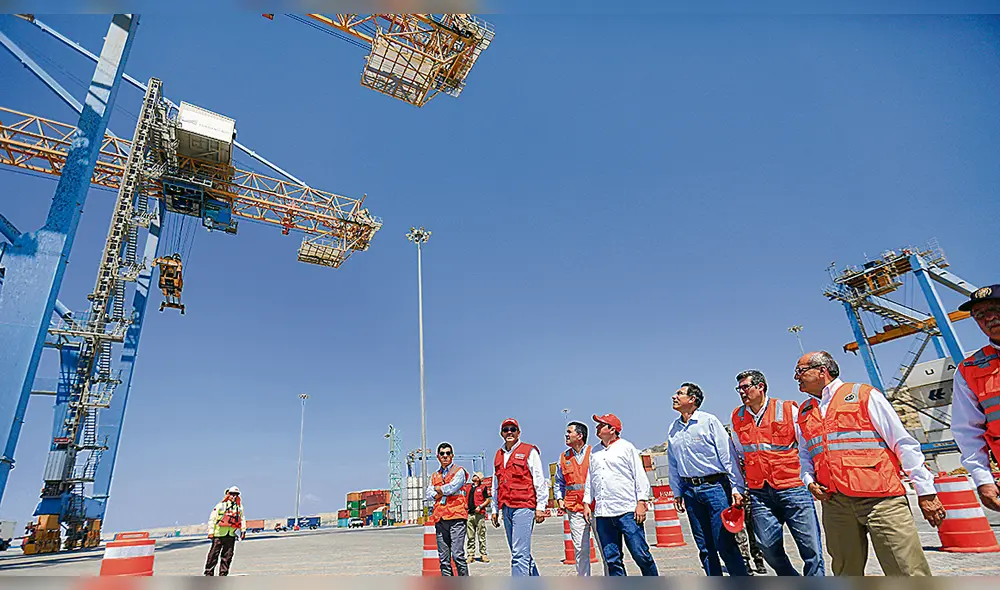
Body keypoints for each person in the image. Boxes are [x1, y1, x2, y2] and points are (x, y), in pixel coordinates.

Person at [794, 351, 946, 576]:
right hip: (835, 502)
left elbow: (902, 442)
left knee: (906, 569)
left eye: (801, 371)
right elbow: (806, 454)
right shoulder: (806, 411)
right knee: (846, 571)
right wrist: (809, 481)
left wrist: (926, 491)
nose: (796, 377)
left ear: (822, 371)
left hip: (881, 499)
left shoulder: (863, 395)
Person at [730, 369, 825, 576]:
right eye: (739, 388)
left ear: (760, 387)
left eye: (745, 387)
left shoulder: (787, 409)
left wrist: (811, 478)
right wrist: (737, 487)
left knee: (811, 549)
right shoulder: (737, 417)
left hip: (793, 488)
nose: (741, 392)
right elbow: (738, 455)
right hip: (760, 491)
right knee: (767, 547)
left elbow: (806, 447)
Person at [667, 383, 749, 576]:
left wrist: (737, 488)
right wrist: (677, 492)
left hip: (715, 488)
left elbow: (728, 457)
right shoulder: (673, 428)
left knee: (724, 544)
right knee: (704, 547)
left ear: (692, 399)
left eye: (679, 393)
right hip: (689, 491)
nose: (674, 396)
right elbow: (673, 463)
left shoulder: (709, 422)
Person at [583, 414, 658, 576]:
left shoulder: (626, 447)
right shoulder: (595, 451)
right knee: (612, 559)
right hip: (603, 514)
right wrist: (587, 503)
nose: (597, 427)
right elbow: (590, 478)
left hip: (627, 511)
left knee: (641, 555)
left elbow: (639, 475)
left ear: (612, 429)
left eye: (601, 425)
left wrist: (641, 502)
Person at [951, 284, 1000, 512]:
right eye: (980, 315)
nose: (990, 317)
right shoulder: (968, 369)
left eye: (995, 308)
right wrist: (983, 478)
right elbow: (967, 430)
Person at [491, 418, 548, 576]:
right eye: (506, 429)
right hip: (506, 508)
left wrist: (540, 507)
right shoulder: (498, 454)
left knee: (518, 554)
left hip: (524, 507)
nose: (509, 432)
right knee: (521, 554)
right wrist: (494, 509)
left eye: (513, 429)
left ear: (518, 432)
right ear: (501, 433)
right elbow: (496, 484)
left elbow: (539, 480)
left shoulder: (530, 451)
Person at [555, 421, 600, 576]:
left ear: (580, 435)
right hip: (575, 509)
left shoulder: (594, 453)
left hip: (596, 508)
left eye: (569, 432)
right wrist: (559, 499)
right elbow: (559, 481)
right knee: (580, 549)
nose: (566, 435)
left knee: (605, 548)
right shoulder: (564, 457)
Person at [723, 423, 767, 575]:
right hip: (735, 494)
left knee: (753, 527)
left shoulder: (743, 452)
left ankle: (758, 558)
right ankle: (745, 560)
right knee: (739, 530)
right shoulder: (726, 456)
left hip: (750, 491)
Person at [426, 442, 469, 576]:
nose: (445, 456)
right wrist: (441, 491)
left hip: (456, 517)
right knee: (444, 560)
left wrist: (438, 490)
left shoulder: (459, 471)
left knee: (458, 556)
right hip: (440, 518)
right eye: (442, 453)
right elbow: (428, 494)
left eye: (448, 453)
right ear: (438, 456)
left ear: (452, 455)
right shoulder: (434, 475)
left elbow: (452, 488)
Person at [204, 486, 245, 576]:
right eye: (232, 494)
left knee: (227, 556)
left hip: (230, 535)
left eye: (236, 495)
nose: (234, 496)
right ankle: (208, 573)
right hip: (218, 535)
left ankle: (223, 574)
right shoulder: (220, 506)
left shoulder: (239, 507)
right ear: (228, 495)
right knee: (213, 556)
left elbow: (242, 519)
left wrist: (243, 530)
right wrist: (211, 532)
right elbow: (212, 519)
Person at [464, 472, 491, 562]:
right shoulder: (468, 487)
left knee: (481, 535)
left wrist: (480, 506)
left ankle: (483, 554)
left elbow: (488, 500)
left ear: (479, 478)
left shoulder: (483, 488)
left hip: (480, 515)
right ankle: (470, 555)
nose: (473, 476)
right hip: (469, 514)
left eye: (475, 476)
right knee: (470, 536)